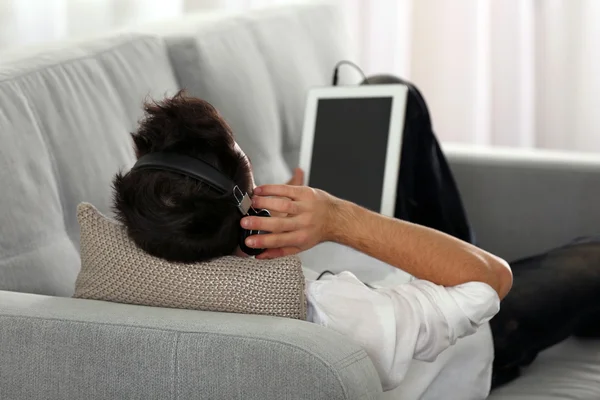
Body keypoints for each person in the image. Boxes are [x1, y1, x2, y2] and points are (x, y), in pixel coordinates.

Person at [113, 92, 512, 397]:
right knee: (402, 98)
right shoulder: (323, 306)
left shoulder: (126, 280)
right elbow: (491, 278)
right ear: (247, 204)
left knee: (390, 94)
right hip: (468, 335)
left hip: (391, 286)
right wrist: (338, 218)